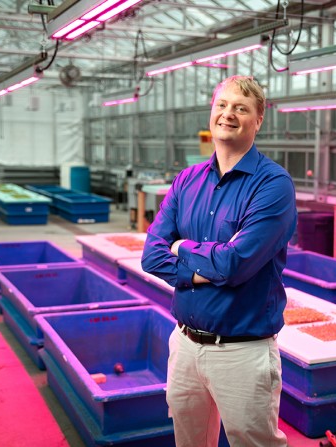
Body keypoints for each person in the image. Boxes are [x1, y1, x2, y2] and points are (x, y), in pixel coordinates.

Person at [141, 75, 297, 447]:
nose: (228, 114)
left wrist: (181, 248)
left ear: (258, 120)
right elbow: (151, 256)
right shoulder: (186, 180)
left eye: (241, 108)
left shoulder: (272, 185)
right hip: (185, 346)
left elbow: (235, 265)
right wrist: (202, 270)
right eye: (221, 105)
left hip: (242, 351)